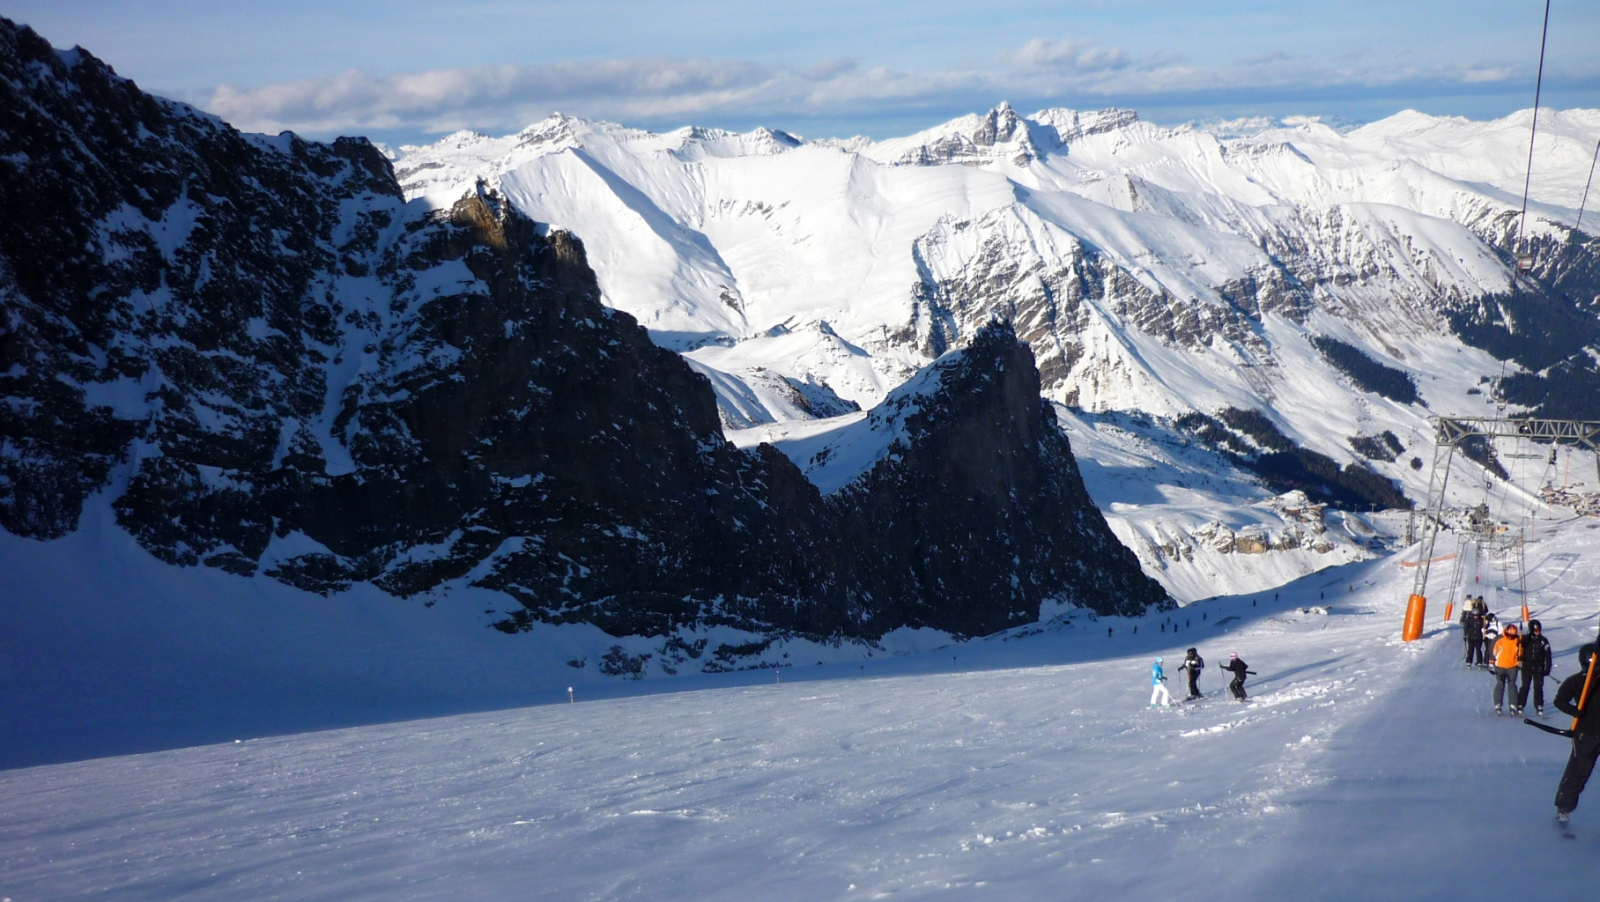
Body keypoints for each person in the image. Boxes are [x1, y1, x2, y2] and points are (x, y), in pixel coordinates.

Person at [1554, 644, 1600, 827]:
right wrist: (1574, 711)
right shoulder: (1576, 681)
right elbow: (1560, 701)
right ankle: (1563, 810)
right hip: (1586, 734)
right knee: (1579, 772)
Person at [1519, 619, 1553, 717]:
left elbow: (1548, 655)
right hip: (1527, 666)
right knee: (1525, 686)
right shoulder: (1525, 639)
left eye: (1539, 630)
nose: (1538, 632)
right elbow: (1518, 648)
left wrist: (1547, 668)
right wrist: (1520, 655)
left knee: (1538, 686)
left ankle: (1539, 705)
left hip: (1539, 667)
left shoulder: (1543, 641)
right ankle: (1520, 704)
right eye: (1536, 630)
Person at [1489, 623, 1521, 715]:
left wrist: (1521, 660)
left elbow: (1521, 651)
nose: (1510, 637)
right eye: (1509, 635)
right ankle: (1498, 704)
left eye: (1512, 635)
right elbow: (1492, 651)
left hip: (1513, 665)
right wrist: (1491, 663)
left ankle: (1513, 704)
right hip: (1500, 665)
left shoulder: (1518, 639)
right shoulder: (1499, 639)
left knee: (1512, 685)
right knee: (1500, 684)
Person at [1460, 597, 1484, 668]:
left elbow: (1484, 627)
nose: (1476, 617)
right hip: (1470, 637)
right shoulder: (1469, 620)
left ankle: (1479, 662)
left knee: (1478, 649)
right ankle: (1469, 662)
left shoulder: (1481, 620)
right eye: (1474, 615)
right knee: (1470, 649)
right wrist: (1465, 635)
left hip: (1478, 637)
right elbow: (1466, 628)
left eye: (1477, 615)